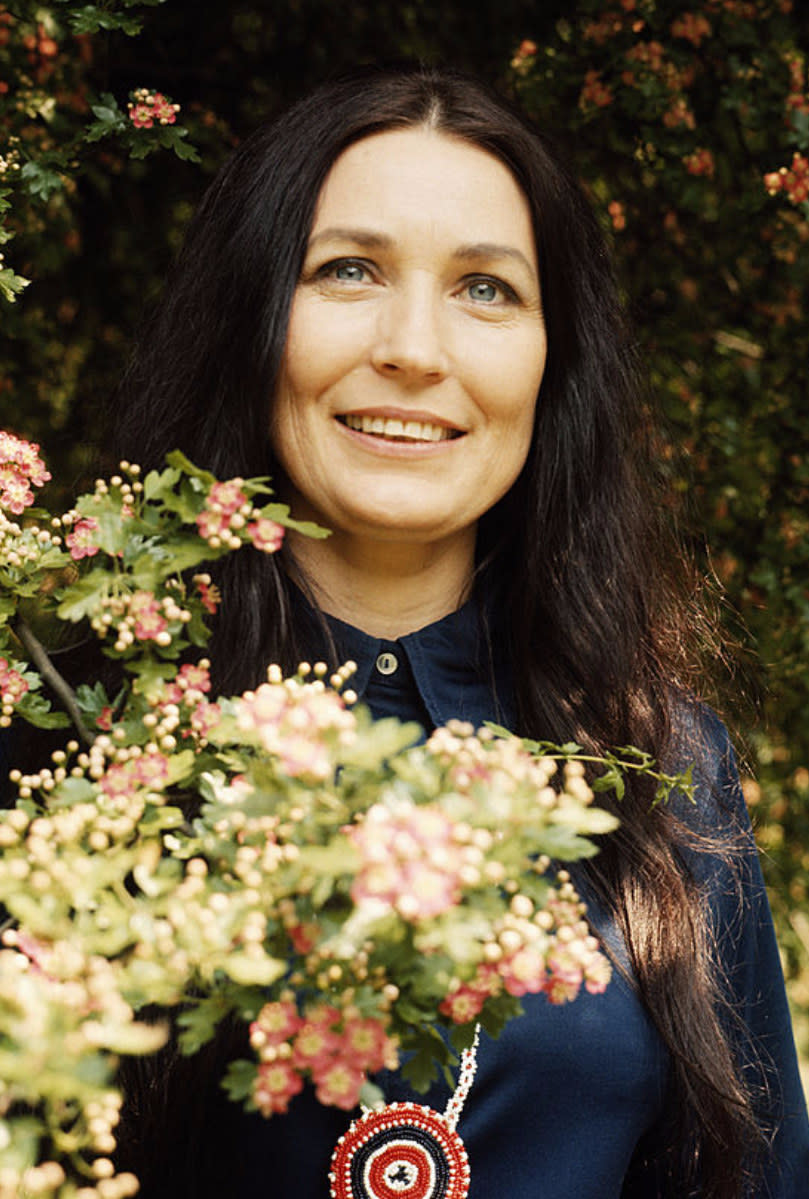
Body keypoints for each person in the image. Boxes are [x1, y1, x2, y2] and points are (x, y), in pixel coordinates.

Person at [109, 62, 809, 1199]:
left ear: (551, 358)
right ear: (252, 317)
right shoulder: (85, 729)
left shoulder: (663, 761)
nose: (414, 349)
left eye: (485, 289)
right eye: (347, 270)